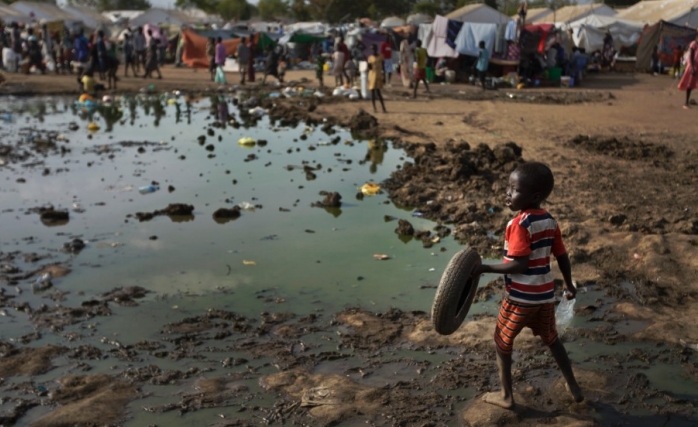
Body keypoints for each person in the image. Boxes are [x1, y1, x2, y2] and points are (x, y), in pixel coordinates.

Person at [474, 161, 584, 409]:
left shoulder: (519, 224)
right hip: (544, 297)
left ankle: (506, 396)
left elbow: (520, 265)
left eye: (514, 190)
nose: (508, 194)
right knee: (552, 340)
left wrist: (485, 268)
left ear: (534, 196)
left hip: (519, 299)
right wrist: (568, 284)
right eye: (508, 188)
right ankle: (573, 386)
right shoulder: (549, 221)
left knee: (502, 341)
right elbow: (562, 256)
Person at [678, 35, 698, 109]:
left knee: (693, 84)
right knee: (689, 84)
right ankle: (686, 103)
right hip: (692, 66)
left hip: (697, 67)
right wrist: (692, 68)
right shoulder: (694, 44)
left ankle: (690, 101)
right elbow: (691, 56)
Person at [367, 44, 386, 113]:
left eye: (374, 49)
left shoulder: (381, 57)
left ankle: (383, 108)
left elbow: (383, 67)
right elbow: (369, 68)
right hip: (372, 76)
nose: (373, 50)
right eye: (372, 49)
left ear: (376, 49)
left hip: (378, 76)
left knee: (379, 93)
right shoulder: (370, 58)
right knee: (373, 93)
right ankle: (374, 108)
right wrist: (368, 64)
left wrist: (384, 76)